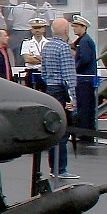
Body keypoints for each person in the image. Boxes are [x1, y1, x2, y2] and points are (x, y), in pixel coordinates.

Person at [41, 19, 77, 176]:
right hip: (62, 91)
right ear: (66, 30)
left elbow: (42, 72)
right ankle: (60, 169)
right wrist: (72, 99)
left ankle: (54, 167)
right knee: (64, 130)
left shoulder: (47, 46)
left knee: (54, 128)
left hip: (50, 89)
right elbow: (68, 76)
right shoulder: (63, 48)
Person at [70, 16, 98, 149]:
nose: (74, 28)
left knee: (85, 107)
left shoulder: (85, 42)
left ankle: (86, 133)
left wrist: (73, 68)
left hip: (84, 79)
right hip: (84, 78)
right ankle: (85, 132)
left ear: (83, 27)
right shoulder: (82, 41)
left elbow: (84, 59)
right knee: (84, 106)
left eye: (76, 26)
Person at [20, 18, 49, 89]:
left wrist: (34, 57)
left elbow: (50, 60)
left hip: (45, 72)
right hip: (32, 72)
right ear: (31, 29)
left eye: (39, 27)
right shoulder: (26, 43)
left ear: (44, 29)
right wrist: (42, 58)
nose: (37, 30)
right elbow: (27, 59)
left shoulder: (48, 43)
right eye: (35, 28)